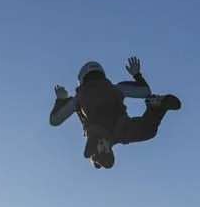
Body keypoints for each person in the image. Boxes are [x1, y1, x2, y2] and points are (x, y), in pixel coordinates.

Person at [51, 57, 182, 169]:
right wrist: (137, 74)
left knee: (145, 132)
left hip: (101, 128)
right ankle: (155, 106)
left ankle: (99, 147)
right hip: (120, 125)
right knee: (148, 130)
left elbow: (55, 120)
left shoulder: (78, 98)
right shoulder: (115, 88)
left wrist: (60, 99)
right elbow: (145, 91)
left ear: (82, 79)